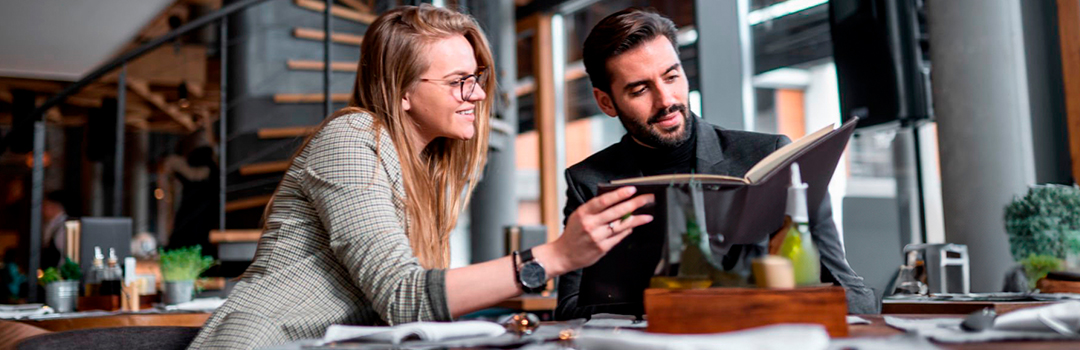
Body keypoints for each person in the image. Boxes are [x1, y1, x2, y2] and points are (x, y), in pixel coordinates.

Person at [188, 5, 654, 349]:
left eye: (477, 77)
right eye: (457, 82)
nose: (475, 94)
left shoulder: (426, 168)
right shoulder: (352, 139)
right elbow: (404, 298)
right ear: (403, 92)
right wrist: (553, 256)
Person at [554, 7, 879, 320]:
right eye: (640, 89)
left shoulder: (770, 154)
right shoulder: (588, 181)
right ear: (606, 102)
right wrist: (679, 303)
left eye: (671, 76)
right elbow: (568, 308)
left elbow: (846, 285)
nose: (666, 100)